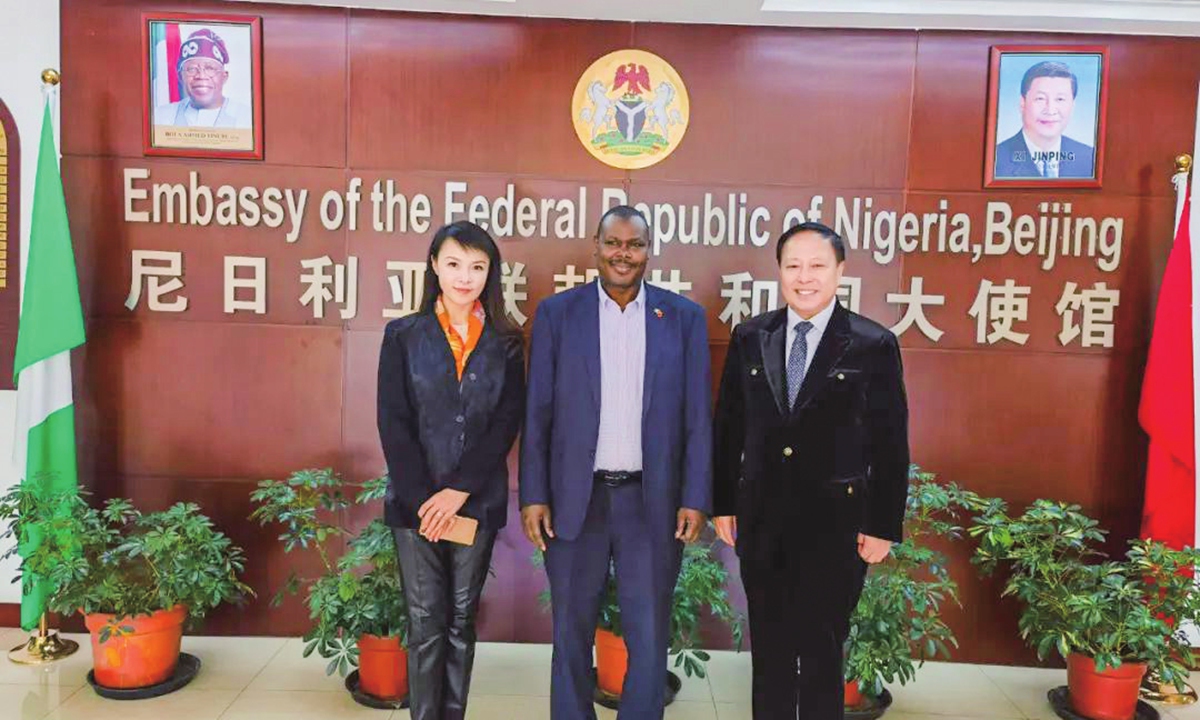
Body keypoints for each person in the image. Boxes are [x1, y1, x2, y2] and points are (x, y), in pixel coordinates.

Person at [520, 206, 712, 720]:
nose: (622, 253)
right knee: (571, 631)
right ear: (596, 246)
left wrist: (695, 497)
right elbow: (537, 413)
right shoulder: (559, 315)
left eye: (634, 244)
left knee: (648, 636)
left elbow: (698, 418)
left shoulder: (683, 319)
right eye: (613, 243)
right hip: (574, 502)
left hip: (652, 502)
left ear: (650, 251)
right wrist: (534, 494)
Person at [712, 221, 910, 720]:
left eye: (818, 266)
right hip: (763, 521)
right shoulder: (751, 336)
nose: (805, 277)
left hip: (836, 527)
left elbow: (890, 443)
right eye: (793, 266)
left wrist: (882, 526)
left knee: (823, 652)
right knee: (772, 652)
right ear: (779, 271)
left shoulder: (872, 343)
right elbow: (728, 428)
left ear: (840, 271)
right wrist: (723, 505)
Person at [377, 220, 526, 720]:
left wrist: (457, 493)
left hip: (474, 503)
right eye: (455, 263)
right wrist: (426, 500)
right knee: (425, 623)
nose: (465, 276)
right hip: (414, 504)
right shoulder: (402, 335)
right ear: (435, 266)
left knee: (461, 620)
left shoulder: (506, 341)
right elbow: (393, 422)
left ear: (491, 274)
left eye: (478, 267)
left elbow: (506, 424)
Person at [994, 60, 1095, 179]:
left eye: (1060, 99)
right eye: (1040, 99)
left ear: (1073, 105)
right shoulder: (995, 159)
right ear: (1023, 102)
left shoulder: (1090, 158)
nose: (1050, 110)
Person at [153, 28, 253, 129]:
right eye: (192, 69)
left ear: (224, 76)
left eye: (210, 68)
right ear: (180, 77)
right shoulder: (159, 117)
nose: (201, 76)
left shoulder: (248, 118)